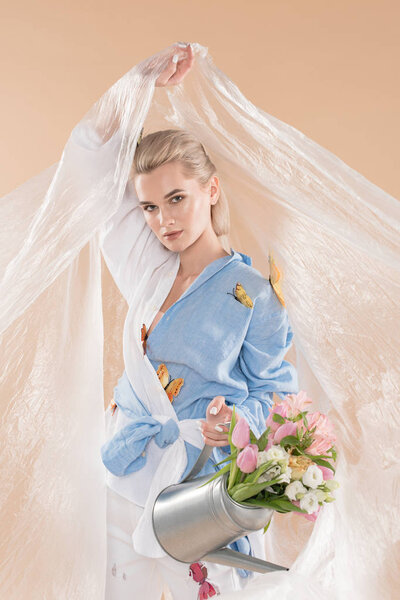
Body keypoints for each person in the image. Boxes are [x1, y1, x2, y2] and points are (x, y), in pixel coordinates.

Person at [84, 43, 299, 599]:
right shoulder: (146, 267)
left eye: (177, 198)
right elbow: (89, 160)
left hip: (197, 486)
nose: (163, 220)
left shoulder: (253, 294)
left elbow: (276, 394)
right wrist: (136, 84)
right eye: (150, 207)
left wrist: (235, 424)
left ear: (211, 189)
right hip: (124, 467)